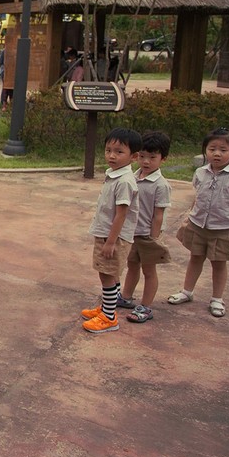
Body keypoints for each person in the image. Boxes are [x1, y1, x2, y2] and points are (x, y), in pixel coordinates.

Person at [168, 128, 229, 318]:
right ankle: (187, 292)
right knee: (195, 258)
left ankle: (217, 299)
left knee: (218, 263)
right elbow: (198, 197)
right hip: (199, 225)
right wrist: (190, 215)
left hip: (223, 228)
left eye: (223, 149)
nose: (216, 153)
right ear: (205, 150)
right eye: (212, 148)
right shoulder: (200, 172)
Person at [80, 128, 142, 334]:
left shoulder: (124, 181)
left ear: (133, 156)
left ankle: (109, 318)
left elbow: (121, 214)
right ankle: (108, 307)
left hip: (112, 236)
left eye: (118, 152)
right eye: (108, 150)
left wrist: (111, 242)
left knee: (106, 274)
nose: (112, 156)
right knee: (111, 274)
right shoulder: (114, 174)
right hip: (108, 234)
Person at [121, 131, 173, 323]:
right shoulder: (133, 177)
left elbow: (158, 215)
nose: (146, 161)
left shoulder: (161, 185)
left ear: (163, 159)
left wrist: (153, 238)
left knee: (149, 271)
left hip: (148, 236)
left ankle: (146, 306)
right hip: (132, 232)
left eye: (152, 157)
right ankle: (126, 296)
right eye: (142, 156)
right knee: (132, 265)